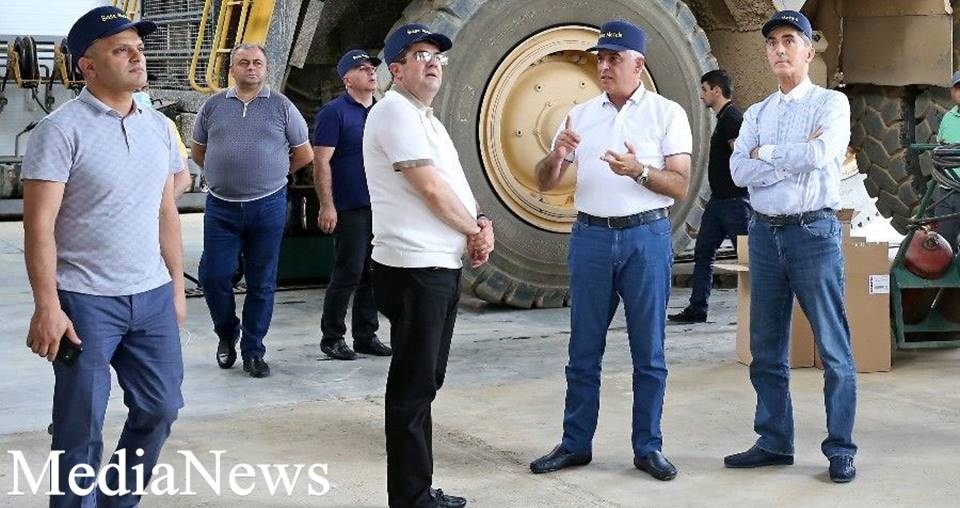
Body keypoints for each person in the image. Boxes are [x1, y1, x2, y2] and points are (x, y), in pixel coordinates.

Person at [21, 6, 186, 506]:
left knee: (160, 409)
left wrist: (177, 289)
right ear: (88, 66)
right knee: (80, 427)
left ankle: (116, 500)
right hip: (85, 301)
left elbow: (166, 211)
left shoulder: (159, 127)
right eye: (121, 50)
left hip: (151, 296)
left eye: (139, 48)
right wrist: (47, 306)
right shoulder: (59, 130)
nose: (137, 57)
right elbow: (39, 226)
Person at [529, 20, 691, 482]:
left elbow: (679, 184)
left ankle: (648, 447)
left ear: (638, 64)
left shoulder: (666, 114)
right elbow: (544, 182)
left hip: (645, 237)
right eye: (599, 58)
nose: (603, 65)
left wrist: (639, 171)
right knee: (583, 349)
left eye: (613, 58)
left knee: (649, 352)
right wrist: (557, 155)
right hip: (591, 238)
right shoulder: (580, 116)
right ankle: (575, 443)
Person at [363, 23, 494, 508]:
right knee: (413, 388)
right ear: (396, 70)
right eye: (420, 54)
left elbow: (454, 184)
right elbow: (431, 191)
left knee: (425, 382)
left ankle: (419, 488)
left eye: (436, 55)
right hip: (414, 269)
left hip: (437, 266)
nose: (433, 62)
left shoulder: (426, 119)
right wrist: (474, 232)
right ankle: (410, 497)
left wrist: (481, 221)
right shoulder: (393, 112)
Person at [725, 10, 858, 483]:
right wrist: (786, 158)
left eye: (789, 40)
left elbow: (822, 155)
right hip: (764, 234)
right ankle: (774, 441)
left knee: (833, 348)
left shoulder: (830, 104)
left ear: (808, 49)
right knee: (765, 348)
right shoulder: (758, 113)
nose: (779, 49)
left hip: (812, 232)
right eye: (772, 42)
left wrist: (764, 154)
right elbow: (737, 172)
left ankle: (840, 448)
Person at [191, 43, 313, 378]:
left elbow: (304, 153)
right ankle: (227, 332)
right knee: (214, 276)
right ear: (232, 69)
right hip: (221, 208)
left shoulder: (282, 106)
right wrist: (222, 173)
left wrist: (275, 173)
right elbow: (199, 151)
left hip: (268, 205)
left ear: (266, 68)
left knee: (262, 281)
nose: (251, 67)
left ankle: (253, 350)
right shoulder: (213, 106)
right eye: (243, 62)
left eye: (257, 62)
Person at [314, 49, 391, 360]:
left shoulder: (383, 111)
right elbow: (321, 161)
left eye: (372, 68)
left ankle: (365, 336)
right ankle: (332, 337)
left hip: (381, 205)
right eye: (362, 69)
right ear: (347, 79)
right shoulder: (333, 113)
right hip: (350, 206)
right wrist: (327, 205)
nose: (371, 72)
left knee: (375, 273)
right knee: (349, 272)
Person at [669, 69, 750, 323]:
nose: (701, 95)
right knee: (703, 253)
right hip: (718, 203)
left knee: (749, 258)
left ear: (716, 90)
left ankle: (758, 310)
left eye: (704, 89)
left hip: (735, 202)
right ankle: (697, 308)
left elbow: (741, 156)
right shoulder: (723, 117)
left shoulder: (732, 118)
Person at [133, 81, 193, 198]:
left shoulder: (165, 124)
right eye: (135, 91)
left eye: (145, 89)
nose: (142, 95)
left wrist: (162, 205)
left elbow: (183, 179)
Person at [930, 70, 960, 247]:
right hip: (947, 194)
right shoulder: (947, 119)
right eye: (958, 88)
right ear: (952, 92)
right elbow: (939, 148)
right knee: (943, 247)